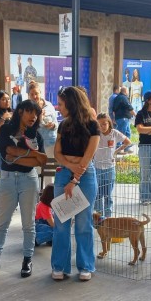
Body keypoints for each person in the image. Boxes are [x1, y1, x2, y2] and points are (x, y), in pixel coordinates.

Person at [0, 100, 47, 278]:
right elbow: (6, 155)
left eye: (36, 113)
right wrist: (32, 156)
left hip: (29, 180)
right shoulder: (6, 130)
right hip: (8, 180)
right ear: (20, 112)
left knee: (28, 224)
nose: (33, 116)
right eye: (30, 112)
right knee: (2, 222)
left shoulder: (36, 135)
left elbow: (41, 161)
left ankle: (27, 259)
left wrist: (20, 155)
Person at [51, 86, 100, 281]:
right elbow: (57, 153)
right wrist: (71, 165)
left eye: (61, 104)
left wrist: (74, 178)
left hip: (85, 176)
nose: (58, 107)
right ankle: (59, 266)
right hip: (65, 173)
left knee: (83, 223)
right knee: (61, 223)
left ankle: (85, 265)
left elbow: (87, 158)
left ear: (71, 103)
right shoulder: (63, 125)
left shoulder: (92, 125)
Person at [94, 112, 131, 218]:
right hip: (97, 167)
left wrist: (117, 151)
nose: (102, 127)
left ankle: (108, 217)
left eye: (104, 124)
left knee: (108, 195)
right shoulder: (96, 134)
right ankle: (99, 216)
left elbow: (127, 142)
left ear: (109, 123)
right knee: (97, 194)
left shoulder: (114, 133)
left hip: (109, 167)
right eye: (100, 125)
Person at [28, 81, 57, 158]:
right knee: (38, 168)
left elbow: (56, 123)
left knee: (50, 168)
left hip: (51, 143)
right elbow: (27, 127)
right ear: (28, 95)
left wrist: (53, 125)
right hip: (35, 145)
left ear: (40, 93)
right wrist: (39, 118)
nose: (34, 96)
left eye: (36, 93)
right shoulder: (28, 109)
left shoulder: (49, 105)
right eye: (32, 94)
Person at [112, 86, 135, 152]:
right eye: (128, 91)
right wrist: (136, 115)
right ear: (125, 91)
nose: (128, 92)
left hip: (122, 118)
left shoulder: (117, 98)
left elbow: (114, 109)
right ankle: (119, 148)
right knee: (122, 133)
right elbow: (129, 107)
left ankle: (126, 148)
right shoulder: (123, 98)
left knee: (127, 133)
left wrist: (114, 118)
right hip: (123, 118)